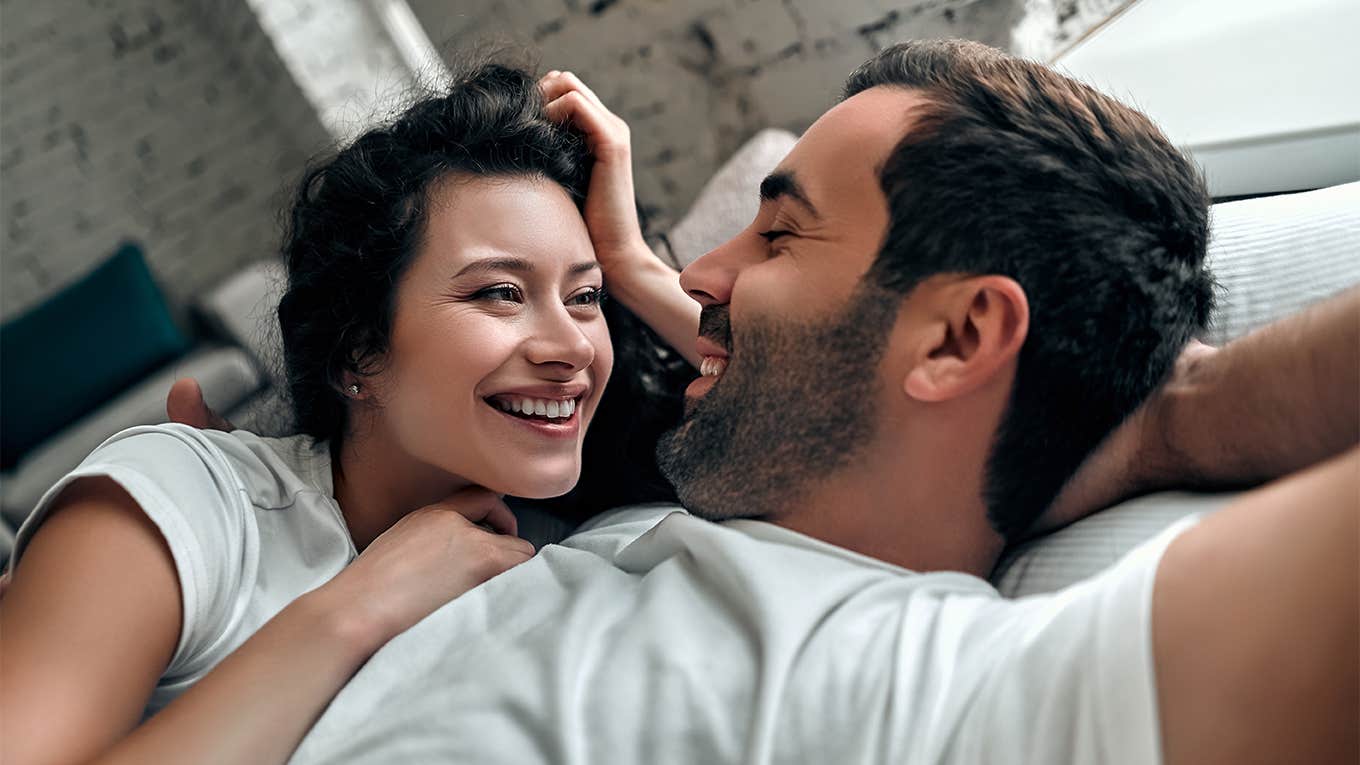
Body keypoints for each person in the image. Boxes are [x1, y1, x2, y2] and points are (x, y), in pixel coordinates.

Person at [166, 40, 1348, 764]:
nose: (701, 278)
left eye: (778, 233)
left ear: (958, 338)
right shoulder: (644, 519)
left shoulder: (942, 691)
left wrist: (1176, 417)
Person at [0, 62, 697, 764]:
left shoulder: (588, 544)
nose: (572, 345)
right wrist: (354, 609)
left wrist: (634, 265)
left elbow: (803, 428)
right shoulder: (191, 501)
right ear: (358, 352)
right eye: (501, 293)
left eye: (585, 297)